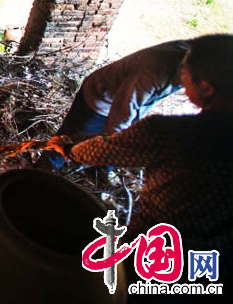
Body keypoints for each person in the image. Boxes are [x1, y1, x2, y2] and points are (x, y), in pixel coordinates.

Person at [56, 34, 233, 288]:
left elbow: (105, 148)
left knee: (109, 288)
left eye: (187, 73)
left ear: (206, 88)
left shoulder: (168, 133)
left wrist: (70, 149)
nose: (182, 79)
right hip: (215, 265)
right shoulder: (158, 75)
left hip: (158, 253)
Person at [39, 40, 189, 170]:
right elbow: (121, 118)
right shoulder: (152, 73)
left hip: (128, 102)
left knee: (107, 146)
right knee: (69, 139)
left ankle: (96, 170)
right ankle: (42, 171)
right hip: (99, 99)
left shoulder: (193, 62)